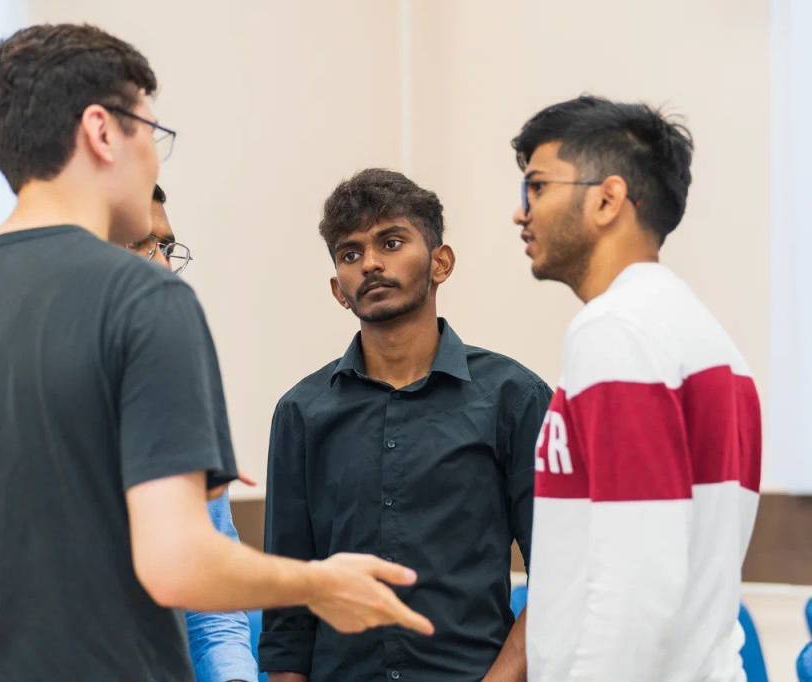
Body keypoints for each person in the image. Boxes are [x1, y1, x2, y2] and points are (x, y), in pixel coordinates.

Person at [0, 24, 432, 682]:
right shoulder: (144, 299)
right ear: (102, 131)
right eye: (151, 132)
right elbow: (179, 565)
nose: (155, 161)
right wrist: (319, 583)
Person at [260, 169, 552, 682]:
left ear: (441, 262)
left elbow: (558, 576)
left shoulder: (514, 398)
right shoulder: (300, 413)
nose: (370, 263)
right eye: (350, 253)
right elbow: (289, 609)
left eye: (391, 243)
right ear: (338, 289)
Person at [510, 96, 762, 681]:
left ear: (607, 199)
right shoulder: (709, 340)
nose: (521, 213)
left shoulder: (616, 330)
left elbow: (637, 583)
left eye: (537, 187)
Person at [126, 184, 258, 682]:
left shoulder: (174, 394)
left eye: (165, 246)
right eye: (140, 244)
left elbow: (213, 608)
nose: (162, 265)